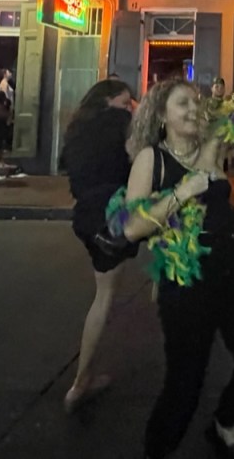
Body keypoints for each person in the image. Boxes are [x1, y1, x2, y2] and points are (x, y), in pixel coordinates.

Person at [121, 79, 234, 459]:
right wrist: (181, 193)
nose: (193, 109)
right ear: (161, 114)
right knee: (185, 385)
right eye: (182, 103)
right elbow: (132, 228)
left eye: (196, 102)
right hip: (186, 280)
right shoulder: (151, 160)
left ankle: (224, 422)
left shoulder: (210, 146)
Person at [60, 79, 138, 413]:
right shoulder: (121, 123)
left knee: (103, 294)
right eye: (125, 101)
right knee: (105, 298)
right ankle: (81, 383)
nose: (129, 106)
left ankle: (85, 378)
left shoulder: (78, 127)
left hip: (86, 214)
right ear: (108, 100)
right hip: (113, 213)